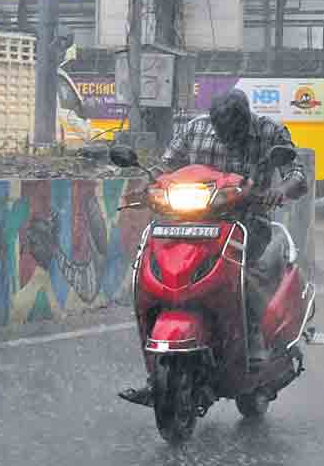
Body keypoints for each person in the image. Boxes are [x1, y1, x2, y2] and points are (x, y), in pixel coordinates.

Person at [119, 90, 308, 406]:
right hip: (187, 223)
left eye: (233, 132)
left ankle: (257, 344)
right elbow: (166, 168)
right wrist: (148, 185)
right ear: (214, 124)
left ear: (246, 120)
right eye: (222, 132)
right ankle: (158, 371)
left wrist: (280, 190)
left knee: (247, 279)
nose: (227, 138)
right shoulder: (195, 129)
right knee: (151, 275)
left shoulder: (269, 132)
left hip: (246, 223)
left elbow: (296, 174)